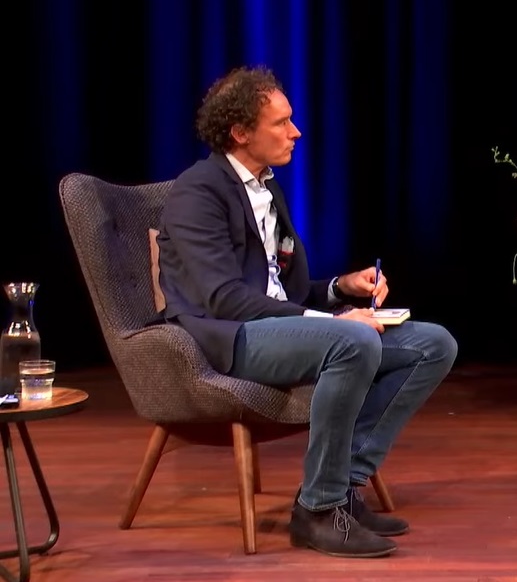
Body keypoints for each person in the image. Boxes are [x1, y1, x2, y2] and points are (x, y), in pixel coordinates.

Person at [155, 66, 458, 558]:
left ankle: (343, 486)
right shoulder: (199, 192)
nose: (295, 132)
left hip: (278, 329)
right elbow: (224, 299)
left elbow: (285, 293)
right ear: (241, 132)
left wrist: (341, 289)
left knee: (434, 344)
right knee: (353, 340)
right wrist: (335, 324)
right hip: (230, 338)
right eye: (281, 122)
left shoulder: (267, 188)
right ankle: (318, 509)